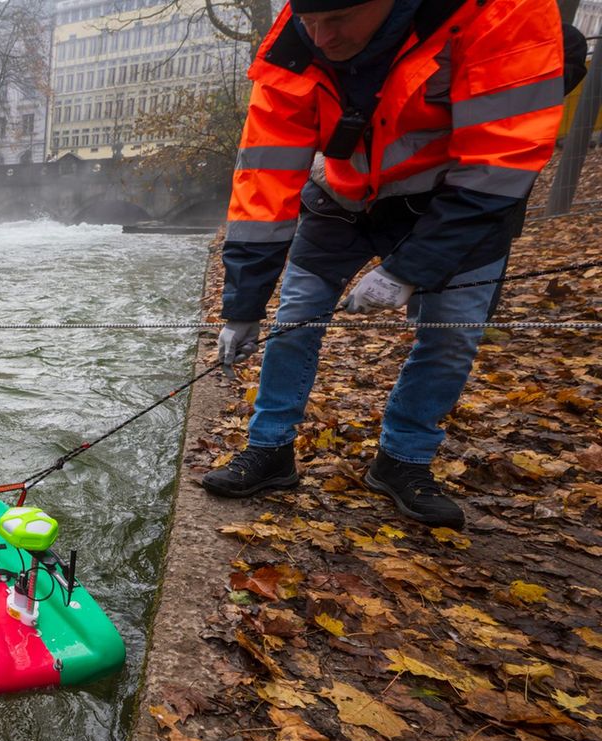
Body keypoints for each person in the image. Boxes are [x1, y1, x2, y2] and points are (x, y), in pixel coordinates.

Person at [200, 0, 567, 529]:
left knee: (449, 334)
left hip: (461, 203)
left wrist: (408, 270)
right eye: (311, 22)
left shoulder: (501, 12)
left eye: (339, 19)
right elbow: (263, 185)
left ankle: (405, 460)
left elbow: (501, 162)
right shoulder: (289, 53)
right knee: (296, 315)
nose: (323, 38)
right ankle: (270, 449)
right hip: (342, 196)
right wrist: (242, 307)